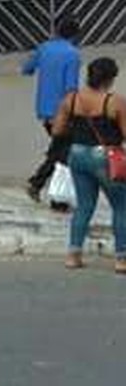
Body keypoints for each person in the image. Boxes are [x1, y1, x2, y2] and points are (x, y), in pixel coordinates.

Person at [50, 58, 126, 272]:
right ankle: (121, 258)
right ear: (110, 79)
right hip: (106, 158)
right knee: (121, 206)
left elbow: (57, 130)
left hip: (78, 154)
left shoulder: (71, 99)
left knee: (84, 206)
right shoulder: (115, 102)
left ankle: (73, 256)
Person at [23, 17, 81, 203]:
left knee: (60, 148)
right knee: (63, 151)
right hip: (63, 110)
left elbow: (27, 69)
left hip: (44, 110)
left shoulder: (44, 48)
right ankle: (49, 191)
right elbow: (70, 87)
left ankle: (40, 185)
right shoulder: (73, 54)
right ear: (75, 35)